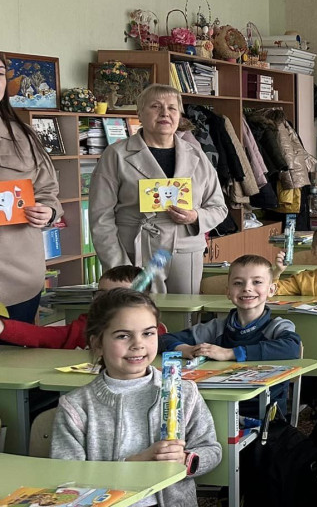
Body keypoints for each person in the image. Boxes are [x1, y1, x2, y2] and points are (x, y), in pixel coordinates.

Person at [51, 288, 221, 507]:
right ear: (97, 344)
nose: (138, 344)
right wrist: (134, 463)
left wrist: (185, 459)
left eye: (148, 333)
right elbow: (67, 477)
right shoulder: (76, 407)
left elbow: (211, 450)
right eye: (123, 335)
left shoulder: (183, 392)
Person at [89, 84, 228, 294]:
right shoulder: (116, 154)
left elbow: (218, 207)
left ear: (179, 115)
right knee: (140, 316)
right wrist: (118, 267)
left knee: (184, 319)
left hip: (186, 250)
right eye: (155, 106)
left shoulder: (197, 154)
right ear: (140, 114)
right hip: (136, 253)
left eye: (172, 108)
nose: (165, 113)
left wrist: (195, 216)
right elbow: (101, 217)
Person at [160, 254, 301, 414]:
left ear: (271, 290)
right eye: (238, 283)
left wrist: (230, 353)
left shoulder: (277, 326)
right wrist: (186, 349)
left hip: (263, 415)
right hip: (218, 408)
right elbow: (163, 340)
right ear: (228, 292)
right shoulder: (217, 327)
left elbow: (292, 348)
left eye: (257, 282)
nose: (247, 288)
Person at [0, 55, 62, 323]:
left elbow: (48, 192)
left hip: (17, 277)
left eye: (0, 73)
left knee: (16, 361)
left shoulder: (23, 135)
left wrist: (47, 211)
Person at [0, 265, 145, 349]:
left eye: (120, 296)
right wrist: (2, 327)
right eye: (102, 295)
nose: (108, 302)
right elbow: (43, 335)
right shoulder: (86, 326)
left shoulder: (149, 331)